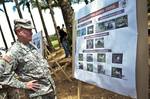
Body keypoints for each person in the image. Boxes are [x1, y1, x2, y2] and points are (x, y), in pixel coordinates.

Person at [0, 19, 56, 99]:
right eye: (28, 30)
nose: (31, 32)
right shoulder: (14, 52)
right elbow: (2, 75)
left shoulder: (31, 45)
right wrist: (24, 85)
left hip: (50, 90)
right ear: (19, 32)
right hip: (37, 95)